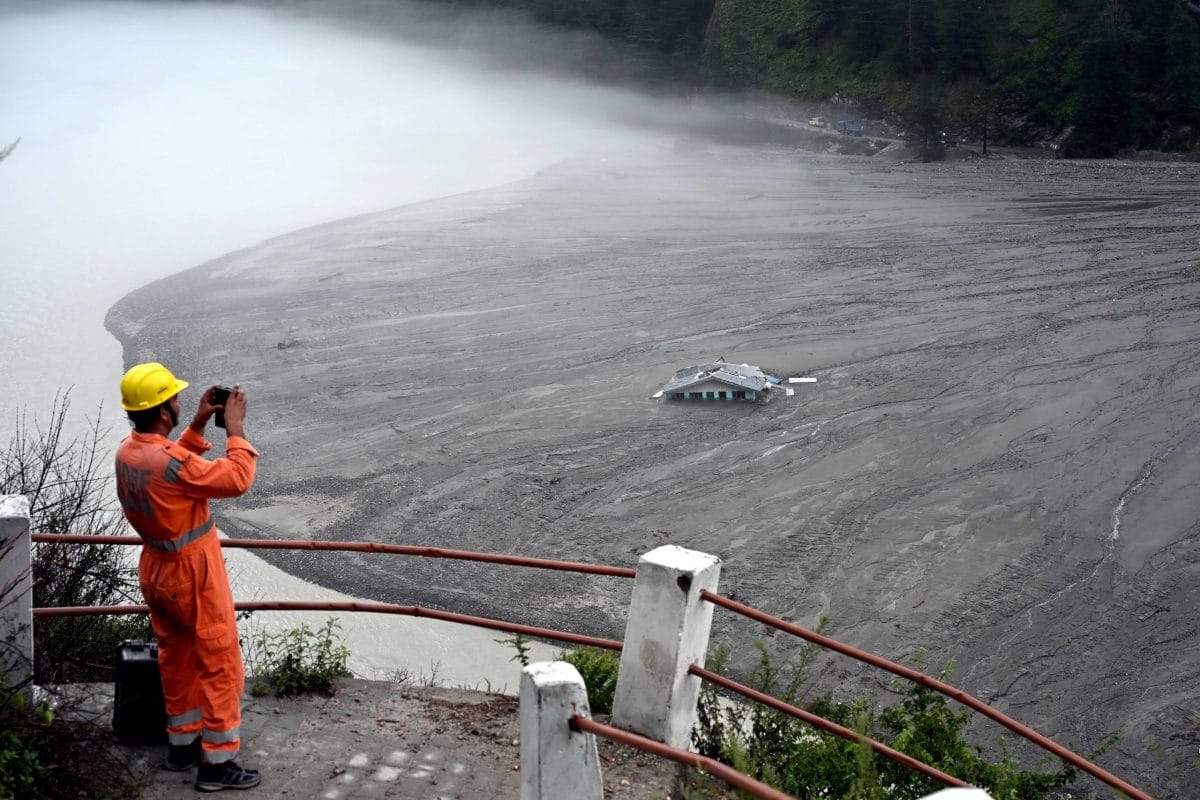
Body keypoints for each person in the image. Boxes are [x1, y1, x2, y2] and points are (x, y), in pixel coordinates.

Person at [114, 362, 261, 792]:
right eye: (176, 400)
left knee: (175, 657)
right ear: (162, 411)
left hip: (156, 567)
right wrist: (234, 429)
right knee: (219, 663)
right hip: (192, 572)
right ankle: (217, 765)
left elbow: (171, 463)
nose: (181, 402)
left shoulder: (128, 451)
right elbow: (237, 479)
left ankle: (182, 746)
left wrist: (197, 423)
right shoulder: (169, 462)